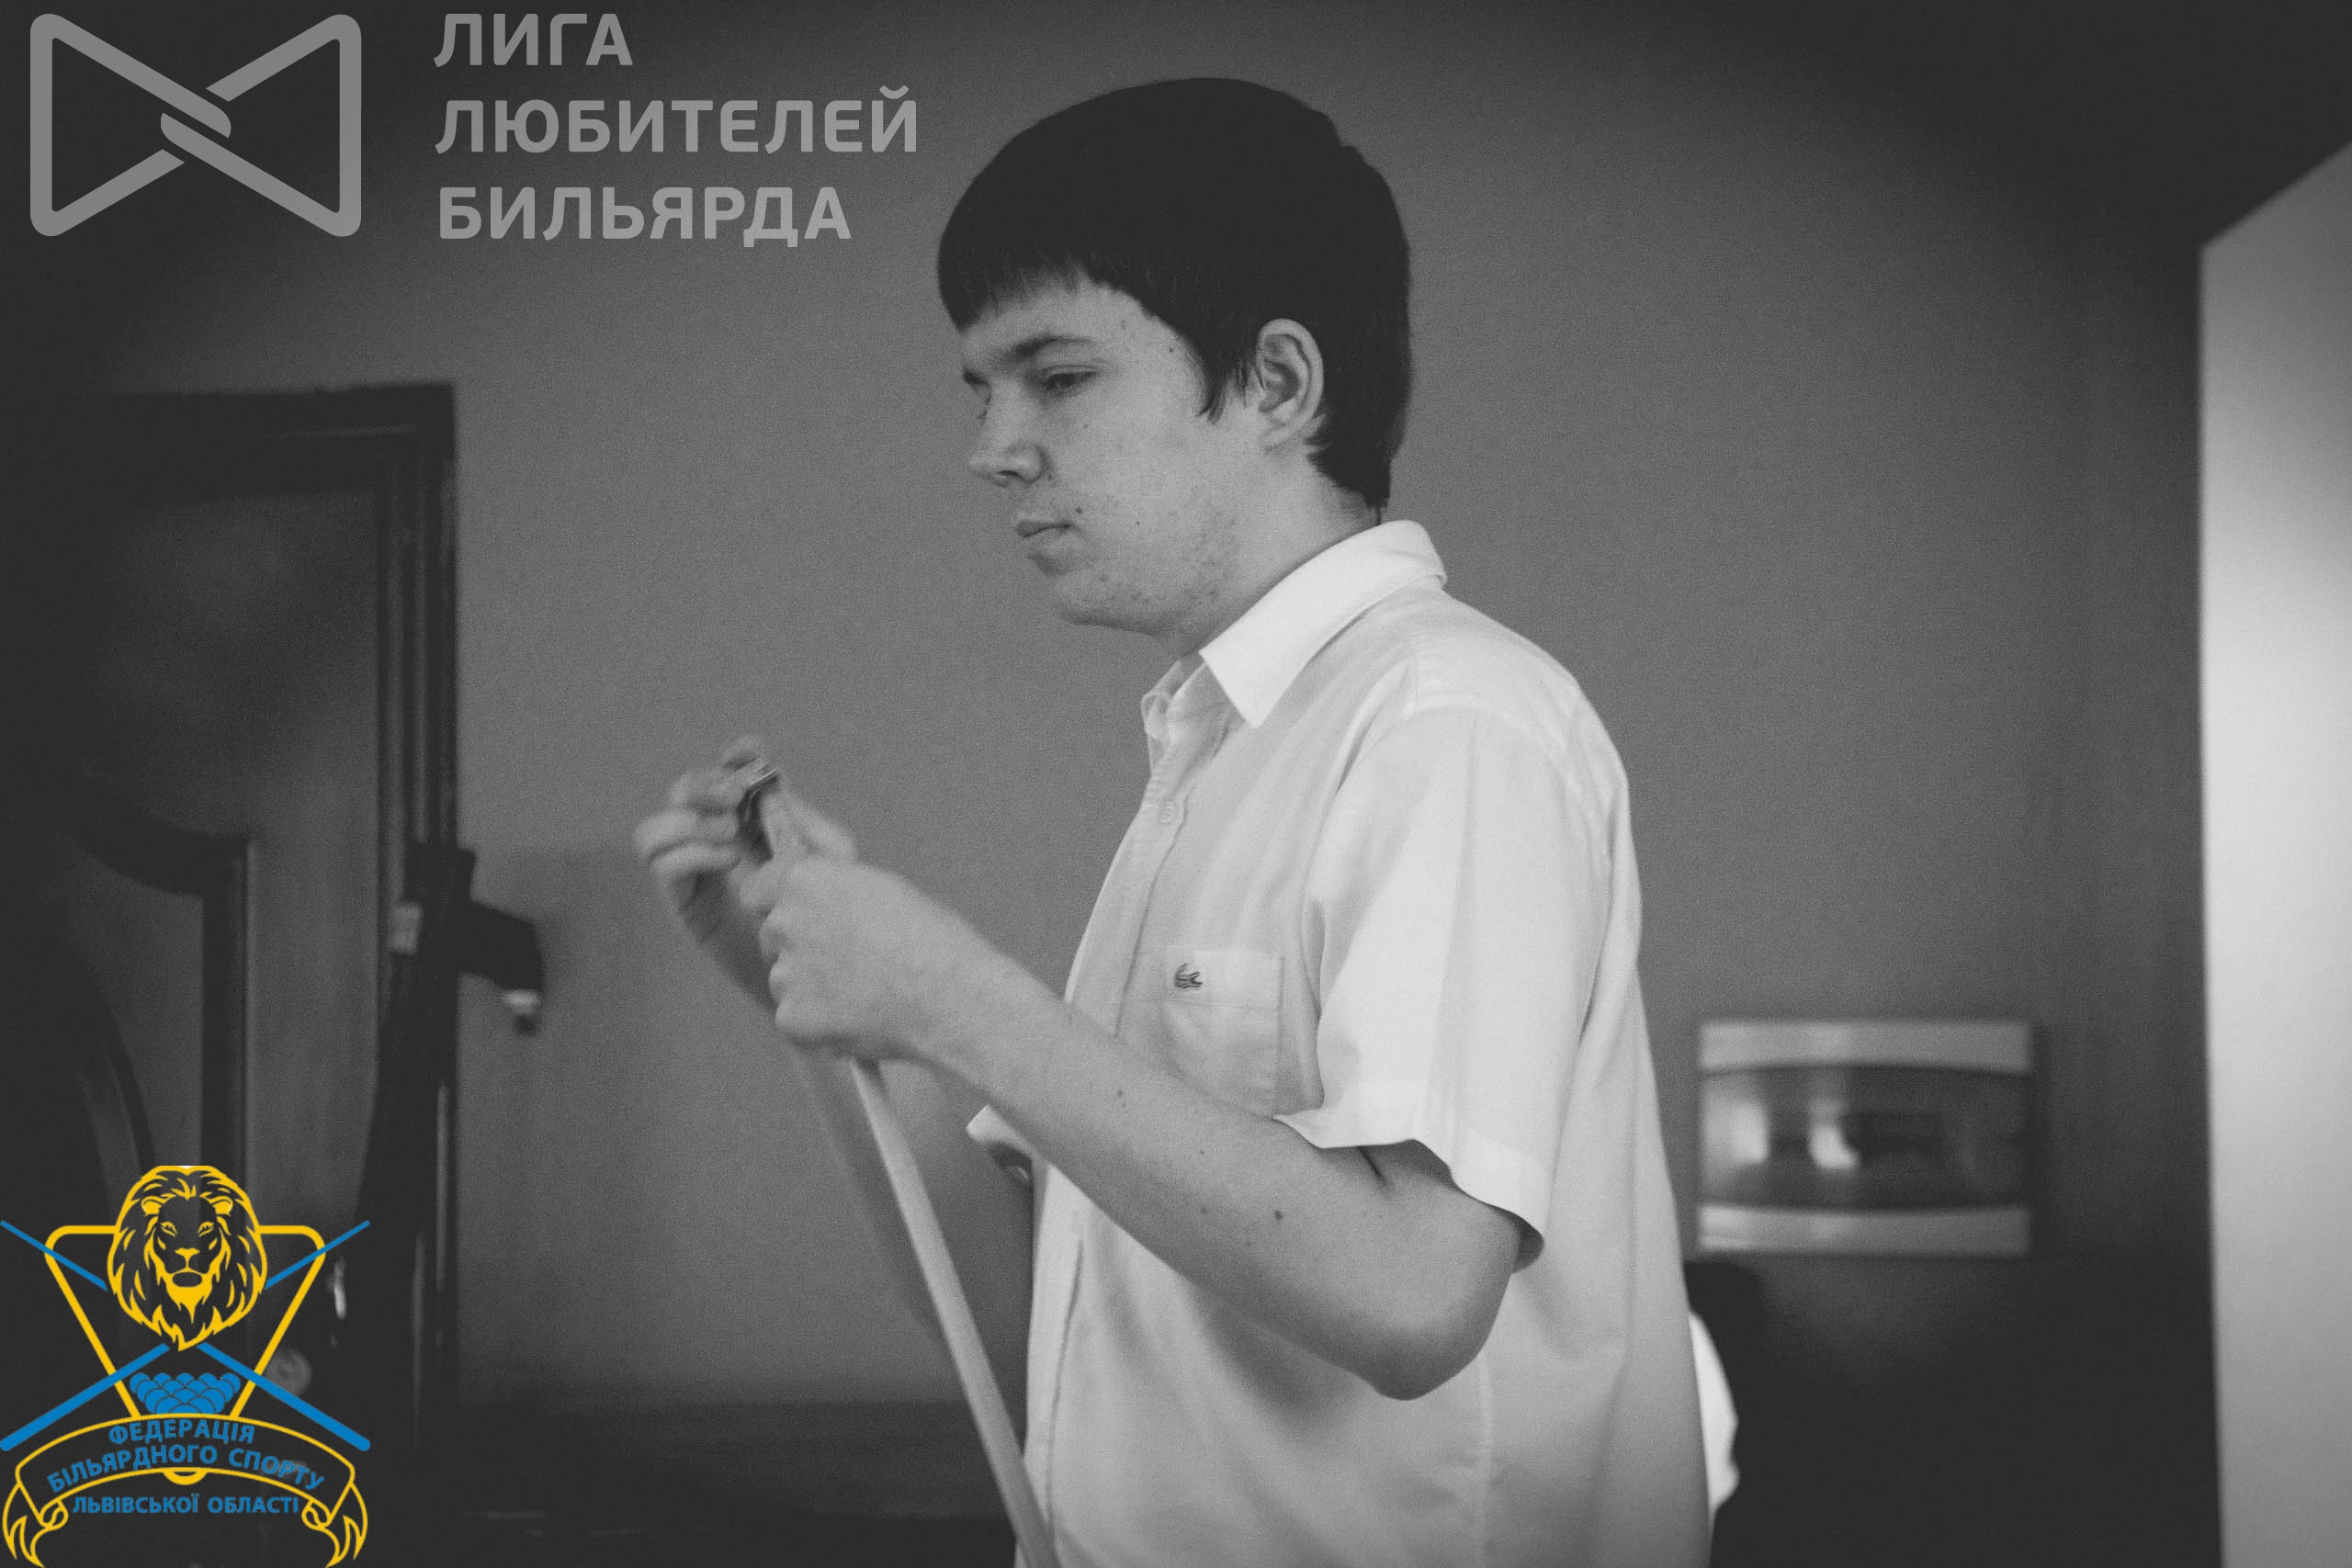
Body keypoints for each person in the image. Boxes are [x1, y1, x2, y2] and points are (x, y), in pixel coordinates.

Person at [636, 78, 1708, 1567]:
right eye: (981, 390)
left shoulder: (1446, 719)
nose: (994, 446)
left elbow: (1413, 1294)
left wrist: (954, 996)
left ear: (1277, 383)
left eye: (1057, 376)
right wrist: (828, 1005)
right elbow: (1039, 1323)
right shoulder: (1225, 757)